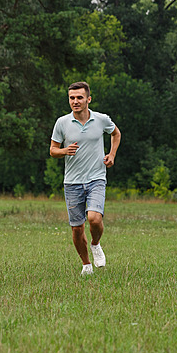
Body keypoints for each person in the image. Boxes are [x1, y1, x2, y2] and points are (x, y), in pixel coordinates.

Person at [49, 81, 121, 276]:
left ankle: (96, 244)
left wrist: (112, 155)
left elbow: (116, 133)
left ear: (88, 99)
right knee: (77, 228)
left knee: (94, 219)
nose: (75, 101)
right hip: (72, 182)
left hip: (96, 177)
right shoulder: (62, 123)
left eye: (79, 97)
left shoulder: (101, 119)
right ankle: (86, 265)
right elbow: (53, 150)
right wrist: (64, 151)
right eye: (72, 98)